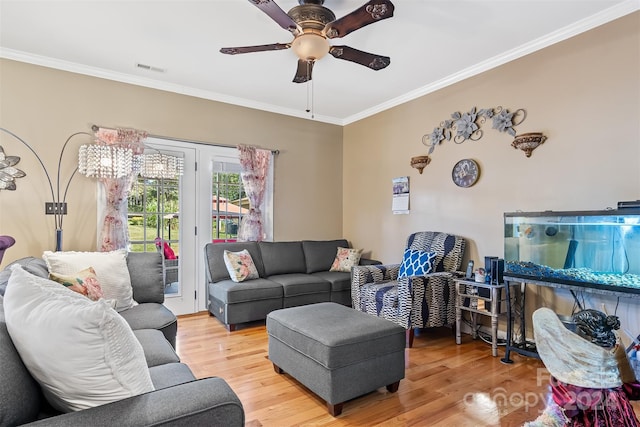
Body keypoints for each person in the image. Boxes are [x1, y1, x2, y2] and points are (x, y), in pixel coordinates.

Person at [528, 307, 640, 426]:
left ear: (585, 339)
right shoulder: (616, 356)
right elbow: (631, 385)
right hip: (618, 408)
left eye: (575, 333)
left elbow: (565, 409)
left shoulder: (576, 379)